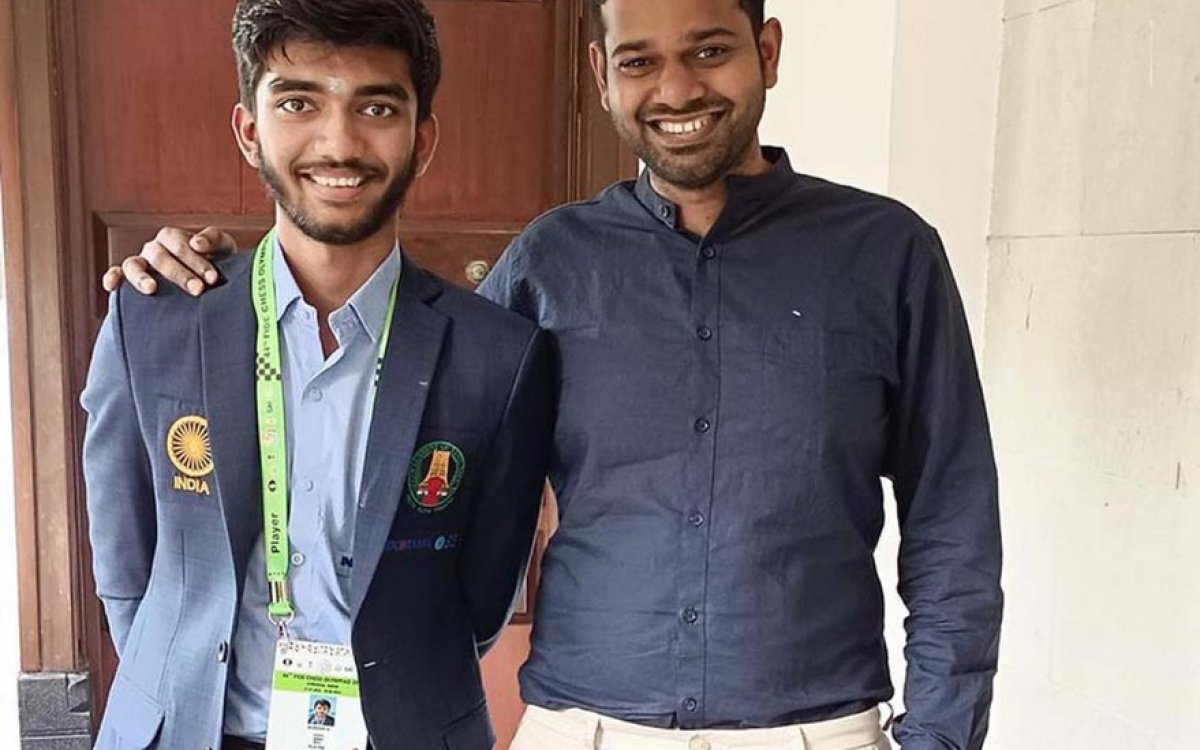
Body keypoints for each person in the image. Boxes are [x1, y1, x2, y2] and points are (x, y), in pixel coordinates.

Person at [109, 0, 1003, 748]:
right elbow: (423, 384)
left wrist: (939, 734)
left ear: (767, 51)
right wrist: (205, 277)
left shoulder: (886, 256)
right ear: (602, 75)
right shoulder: (551, 262)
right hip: (585, 728)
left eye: (710, 51)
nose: (676, 90)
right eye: (639, 60)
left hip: (814, 727)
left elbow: (953, 519)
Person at [81, 1, 553, 749]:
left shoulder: (499, 354)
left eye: (376, 107)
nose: (339, 143)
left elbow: (484, 598)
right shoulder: (154, 318)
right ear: (249, 130)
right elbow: (124, 563)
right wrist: (172, 679)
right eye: (298, 103)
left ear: (422, 141)